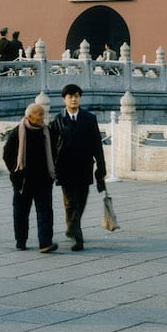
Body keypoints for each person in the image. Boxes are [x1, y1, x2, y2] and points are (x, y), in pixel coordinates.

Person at [50, 84, 107, 251]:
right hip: (65, 168)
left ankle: (71, 227)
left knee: (81, 201)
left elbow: (97, 144)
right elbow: (52, 147)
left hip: (84, 166)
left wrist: (101, 168)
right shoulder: (57, 120)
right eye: (70, 96)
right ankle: (77, 236)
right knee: (71, 203)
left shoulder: (89, 118)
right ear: (64, 99)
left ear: (80, 98)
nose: (74, 99)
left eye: (76, 96)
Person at [3, 102, 58, 253]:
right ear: (29, 116)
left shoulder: (47, 132)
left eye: (43, 113)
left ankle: (45, 243)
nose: (43, 117)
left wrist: (52, 173)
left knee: (45, 212)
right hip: (23, 181)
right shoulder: (17, 132)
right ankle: (21, 241)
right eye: (39, 114)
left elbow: (54, 152)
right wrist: (15, 172)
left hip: (43, 179)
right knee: (21, 213)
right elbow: (7, 155)